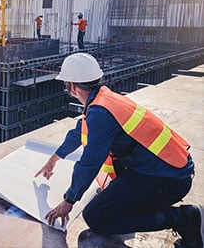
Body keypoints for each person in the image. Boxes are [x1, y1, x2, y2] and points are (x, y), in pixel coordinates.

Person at [34, 53, 202, 248]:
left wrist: (69, 200)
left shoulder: (100, 113)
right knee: (105, 200)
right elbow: (78, 132)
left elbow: (89, 164)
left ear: (71, 86)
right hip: (163, 169)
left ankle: (185, 218)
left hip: (168, 180)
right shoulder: (104, 100)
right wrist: (54, 159)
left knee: (96, 216)